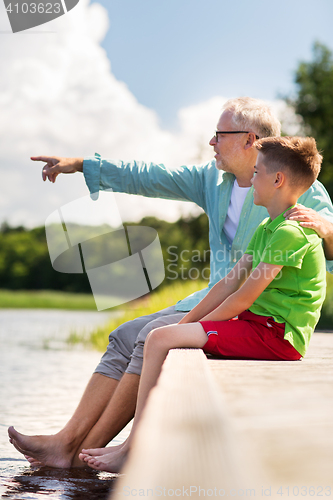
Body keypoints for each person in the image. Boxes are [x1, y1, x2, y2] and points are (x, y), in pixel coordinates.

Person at [8, 98, 333, 469]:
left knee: (150, 334)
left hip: (259, 311)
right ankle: (67, 439)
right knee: (124, 334)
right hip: (217, 296)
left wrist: (327, 228)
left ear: (249, 139)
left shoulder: (300, 190)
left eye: (219, 135)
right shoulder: (214, 182)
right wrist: (83, 165)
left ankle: (82, 456)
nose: (211, 142)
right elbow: (149, 175)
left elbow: (319, 246)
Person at [78, 135, 326, 473]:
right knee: (163, 334)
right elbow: (229, 283)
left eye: (257, 173)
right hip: (259, 325)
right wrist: (187, 323)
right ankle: (130, 444)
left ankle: (133, 447)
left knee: (160, 337)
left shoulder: (291, 233)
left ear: (278, 180)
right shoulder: (269, 226)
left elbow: (243, 297)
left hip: (278, 336)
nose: (251, 181)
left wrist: (188, 328)